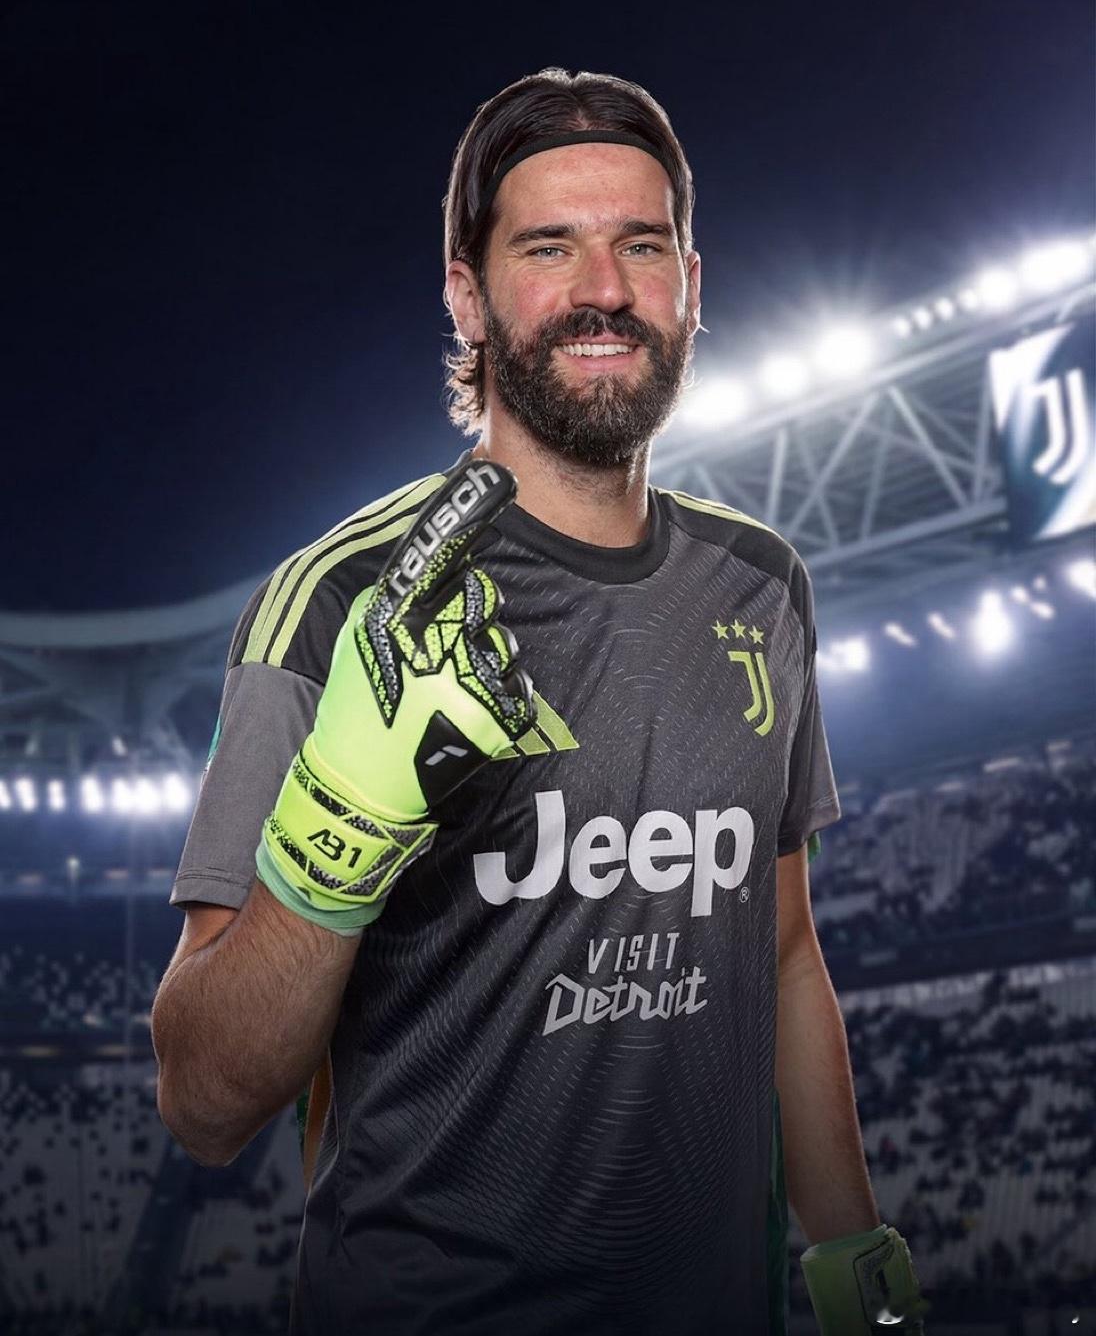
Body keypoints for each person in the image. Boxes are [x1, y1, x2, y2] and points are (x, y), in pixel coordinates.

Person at [152, 67, 926, 1335]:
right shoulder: (346, 604)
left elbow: (784, 956)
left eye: (641, 245)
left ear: (691, 283)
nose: (603, 288)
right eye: (548, 246)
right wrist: (342, 820)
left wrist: (851, 1258)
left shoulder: (764, 582)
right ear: (466, 293)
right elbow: (203, 1099)